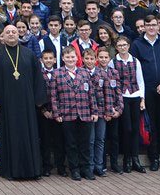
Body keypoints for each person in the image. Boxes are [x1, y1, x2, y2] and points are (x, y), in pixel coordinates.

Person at [0, 23, 45, 181]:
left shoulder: (29, 54)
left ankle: (32, 170)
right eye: (8, 32)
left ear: (19, 35)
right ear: (2, 36)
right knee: (9, 135)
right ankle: (10, 171)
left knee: (29, 134)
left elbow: (38, 78)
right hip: (6, 103)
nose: (11, 34)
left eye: (14, 32)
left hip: (27, 103)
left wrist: (39, 99)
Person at [130, 15, 160, 171]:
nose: (151, 27)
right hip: (147, 90)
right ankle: (154, 159)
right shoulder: (137, 45)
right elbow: (134, 68)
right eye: (148, 25)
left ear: (159, 27)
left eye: (154, 25)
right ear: (144, 26)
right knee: (151, 126)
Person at [50, 46, 95, 181]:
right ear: (63, 58)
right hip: (67, 114)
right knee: (71, 143)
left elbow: (91, 93)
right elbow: (53, 96)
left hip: (85, 113)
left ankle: (85, 169)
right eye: (67, 57)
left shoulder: (85, 73)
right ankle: (74, 169)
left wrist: (94, 111)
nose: (70, 59)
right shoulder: (57, 74)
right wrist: (57, 113)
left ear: (77, 58)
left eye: (73, 57)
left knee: (85, 143)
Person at [111, 35, 147, 173]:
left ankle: (135, 159)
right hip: (122, 97)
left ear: (128, 46)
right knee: (127, 129)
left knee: (136, 128)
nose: (122, 48)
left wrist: (142, 99)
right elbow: (112, 82)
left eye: (124, 45)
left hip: (135, 95)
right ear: (116, 47)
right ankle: (127, 159)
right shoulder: (113, 62)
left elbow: (140, 81)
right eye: (119, 46)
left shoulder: (135, 61)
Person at [89, 46, 120, 176]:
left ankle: (99, 166)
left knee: (100, 139)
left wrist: (111, 110)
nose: (103, 59)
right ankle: (90, 167)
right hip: (90, 112)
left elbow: (109, 93)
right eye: (100, 57)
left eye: (105, 57)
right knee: (90, 140)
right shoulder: (86, 72)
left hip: (103, 111)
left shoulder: (110, 73)